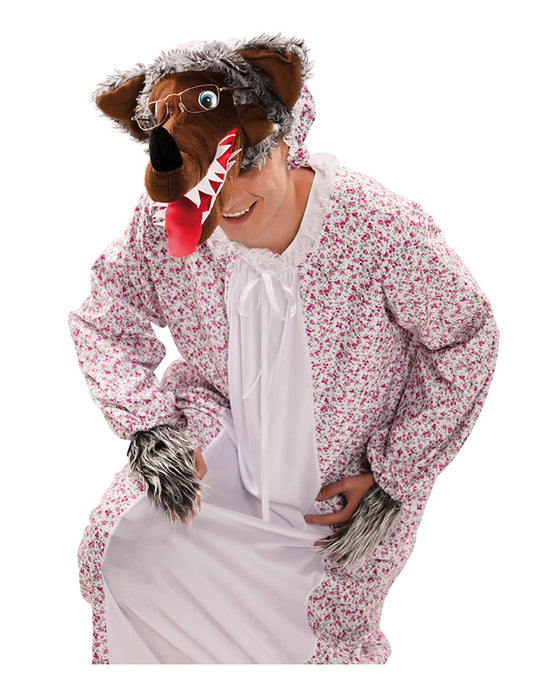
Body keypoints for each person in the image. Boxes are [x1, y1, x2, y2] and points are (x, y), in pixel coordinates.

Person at [69, 36, 499, 664]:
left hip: (335, 496)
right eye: (205, 184)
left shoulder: (375, 226)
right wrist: (154, 430)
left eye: (245, 169)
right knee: (119, 550)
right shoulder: (171, 222)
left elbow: (465, 336)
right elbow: (107, 316)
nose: (227, 201)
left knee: (318, 639)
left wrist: (395, 475)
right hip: (218, 462)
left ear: (284, 144)